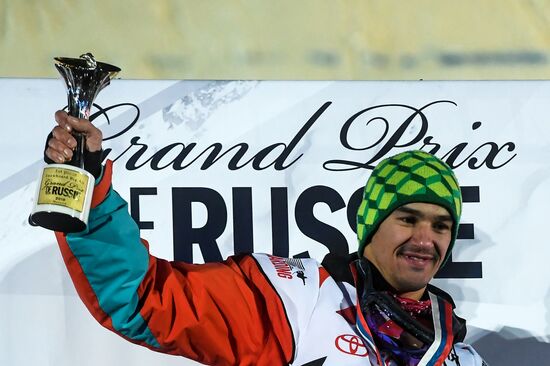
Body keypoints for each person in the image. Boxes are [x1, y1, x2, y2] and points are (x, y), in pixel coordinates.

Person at [45, 110, 487, 366]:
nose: (425, 238)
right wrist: (91, 190)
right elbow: (150, 299)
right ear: (370, 224)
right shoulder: (294, 299)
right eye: (408, 218)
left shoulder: (460, 355)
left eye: (441, 225)